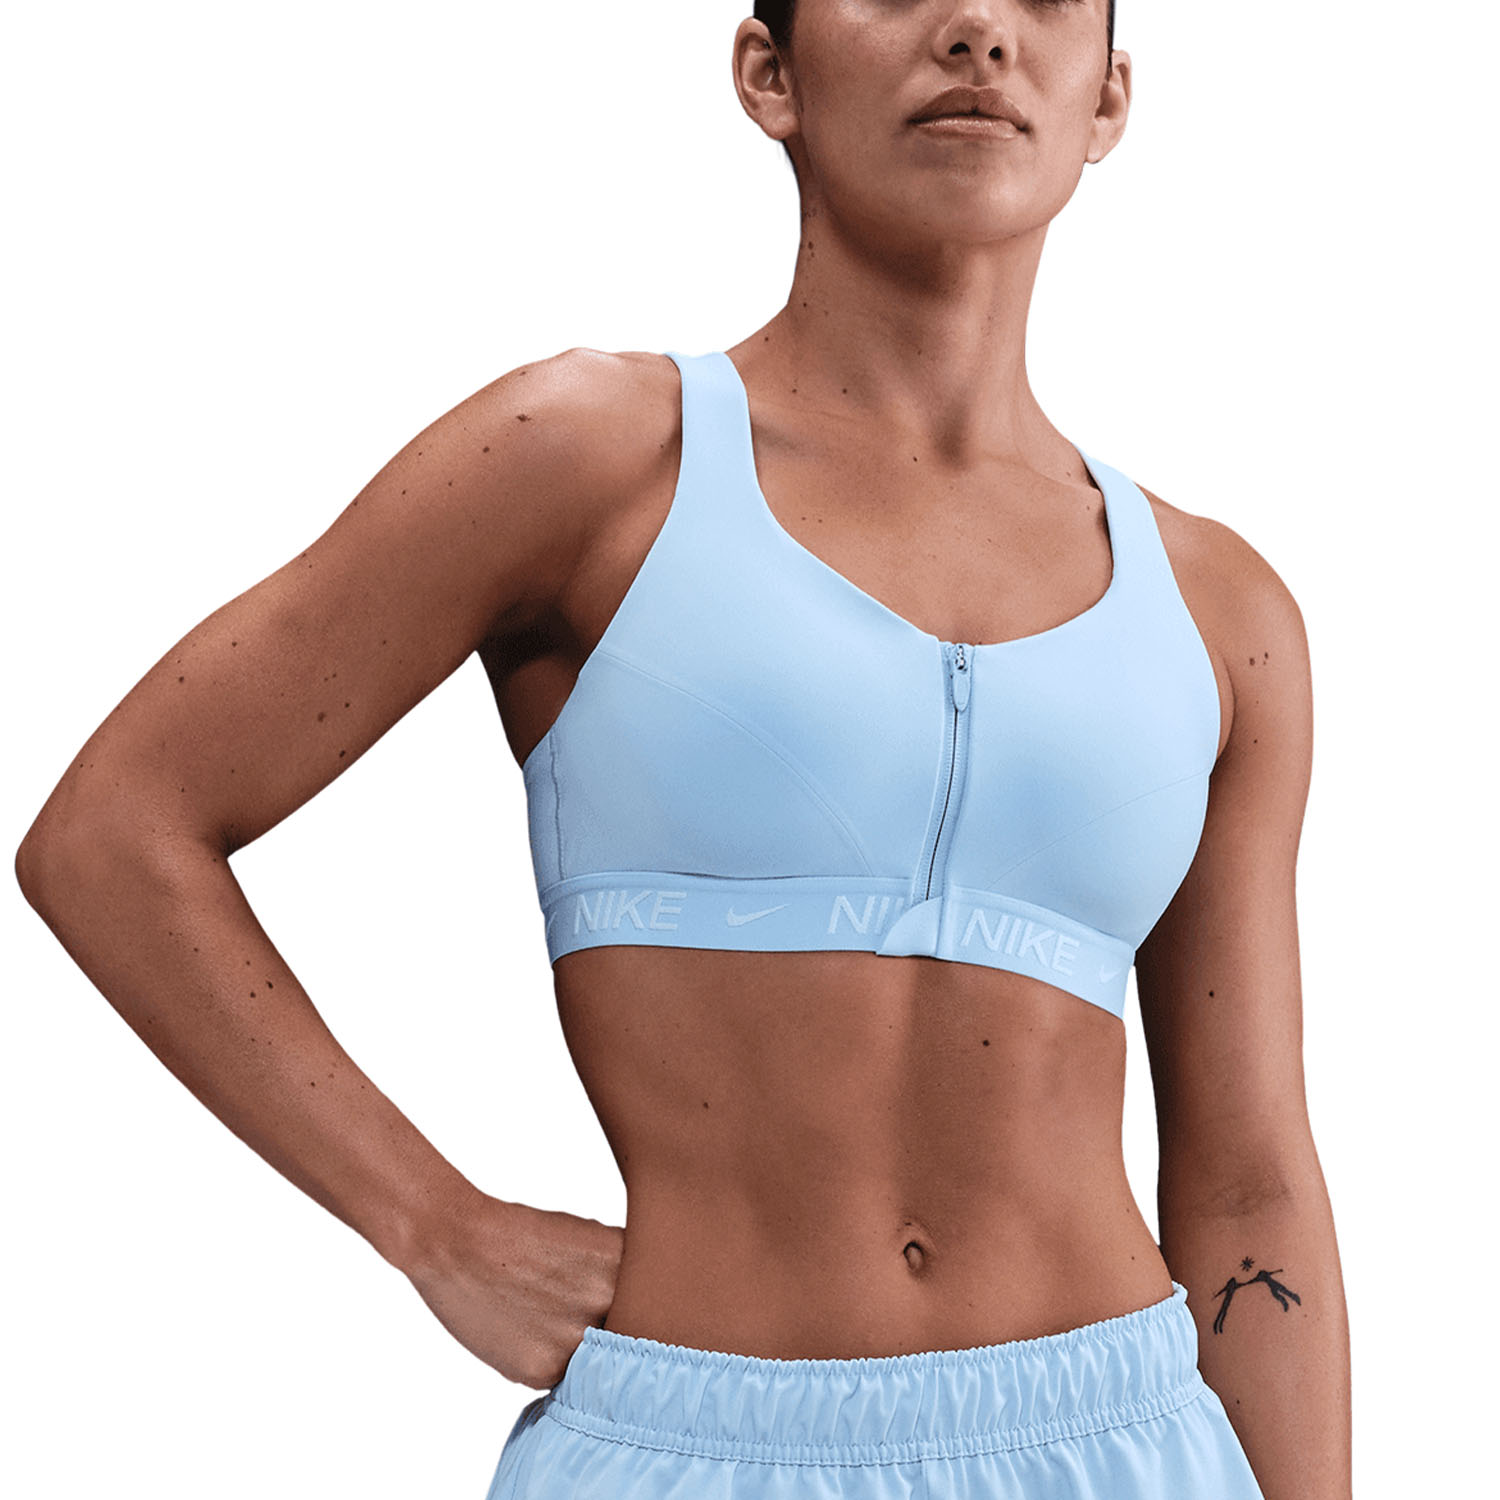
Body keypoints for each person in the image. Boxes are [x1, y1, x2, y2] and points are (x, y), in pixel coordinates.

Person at [15, 2, 1352, 1497]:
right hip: (691, 1442)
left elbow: (1250, 1183)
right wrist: (433, 1224)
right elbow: (115, 833)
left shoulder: (1219, 613)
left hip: (1125, 1441)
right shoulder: (591, 457)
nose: (978, 27)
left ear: (1106, 101)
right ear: (770, 74)